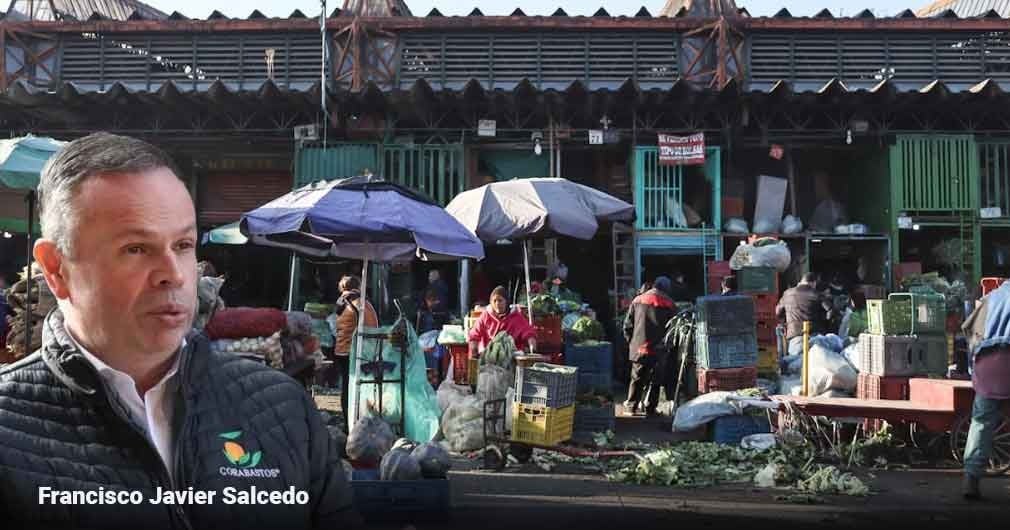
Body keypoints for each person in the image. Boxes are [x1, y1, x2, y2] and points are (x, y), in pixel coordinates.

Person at [0, 133, 358, 529]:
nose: (173, 275)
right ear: (56, 269)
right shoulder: (9, 428)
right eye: (136, 248)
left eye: (184, 245)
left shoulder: (283, 409)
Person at [960, 282, 1010, 499]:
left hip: (987, 365)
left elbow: (970, 330)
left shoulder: (992, 297)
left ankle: (971, 478)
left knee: (981, 421)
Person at [330, 274, 378, 433]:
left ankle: (347, 421)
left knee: (346, 386)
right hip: (357, 352)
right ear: (358, 286)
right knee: (361, 386)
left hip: (341, 351)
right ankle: (357, 422)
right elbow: (373, 329)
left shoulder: (340, 304)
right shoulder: (361, 304)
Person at [623, 276, 676, 416]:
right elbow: (673, 330)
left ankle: (631, 407)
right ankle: (650, 408)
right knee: (655, 380)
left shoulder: (637, 300)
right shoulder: (670, 304)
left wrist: (632, 342)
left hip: (639, 348)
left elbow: (627, 325)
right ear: (666, 289)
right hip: (658, 349)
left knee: (637, 377)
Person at [467, 286, 537, 359]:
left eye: (500, 300)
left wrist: (532, 349)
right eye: (494, 301)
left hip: (511, 357)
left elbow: (529, 333)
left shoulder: (516, 317)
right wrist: (474, 352)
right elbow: (474, 334)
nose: (497, 304)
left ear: (506, 301)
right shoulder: (486, 316)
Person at [776, 272, 832, 358]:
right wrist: (826, 322)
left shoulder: (787, 293)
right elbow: (831, 310)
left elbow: (778, 312)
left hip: (795, 337)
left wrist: (785, 322)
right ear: (813, 283)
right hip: (815, 337)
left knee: (795, 365)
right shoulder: (816, 294)